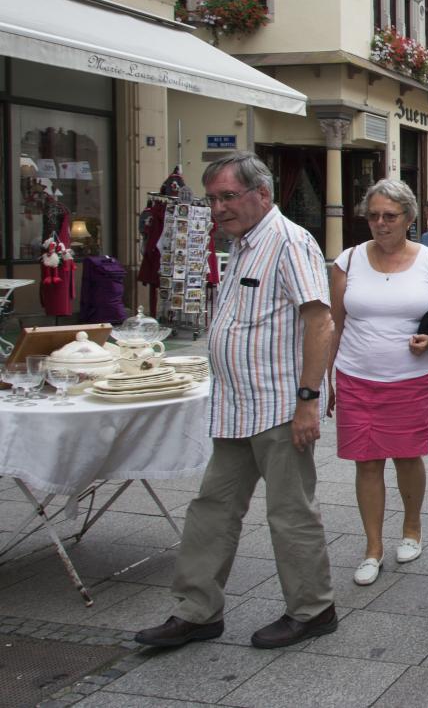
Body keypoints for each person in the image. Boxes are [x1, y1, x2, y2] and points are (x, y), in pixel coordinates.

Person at [136, 153, 337, 650]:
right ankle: (197, 611)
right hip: (234, 405)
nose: (218, 208)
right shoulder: (242, 243)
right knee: (212, 508)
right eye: (213, 199)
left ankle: (313, 610)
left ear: (262, 195)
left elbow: (320, 323)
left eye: (228, 196)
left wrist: (308, 401)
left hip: (279, 406)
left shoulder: (289, 242)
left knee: (289, 512)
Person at [328, 179, 428, 586]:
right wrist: (325, 378)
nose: (380, 223)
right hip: (356, 376)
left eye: (390, 216)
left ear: (409, 218)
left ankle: (412, 528)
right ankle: (373, 547)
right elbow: (334, 324)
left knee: (407, 457)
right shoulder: (348, 261)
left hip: (410, 379)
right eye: (373, 215)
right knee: (366, 461)